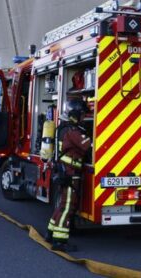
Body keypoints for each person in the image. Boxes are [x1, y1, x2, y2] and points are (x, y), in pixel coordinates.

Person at [46, 98, 92, 252]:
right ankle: (60, 241)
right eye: (82, 115)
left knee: (62, 205)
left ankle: (50, 233)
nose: (84, 117)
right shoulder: (73, 132)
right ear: (75, 114)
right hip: (70, 173)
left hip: (65, 172)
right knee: (68, 207)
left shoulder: (64, 128)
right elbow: (87, 145)